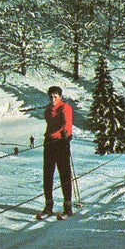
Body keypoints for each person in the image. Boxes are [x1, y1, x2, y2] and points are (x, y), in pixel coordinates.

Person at [39, 86, 74, 218]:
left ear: (60, 97)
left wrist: (66, 132)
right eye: (51, 96)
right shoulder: (48, 110)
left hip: (61, 142)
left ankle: (68, 207)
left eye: (55, 96)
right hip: (49, 142)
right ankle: (48, 206)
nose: (53, 99)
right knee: (47, 174)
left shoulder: (65, 108)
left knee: (64, 173)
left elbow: (67, 121)